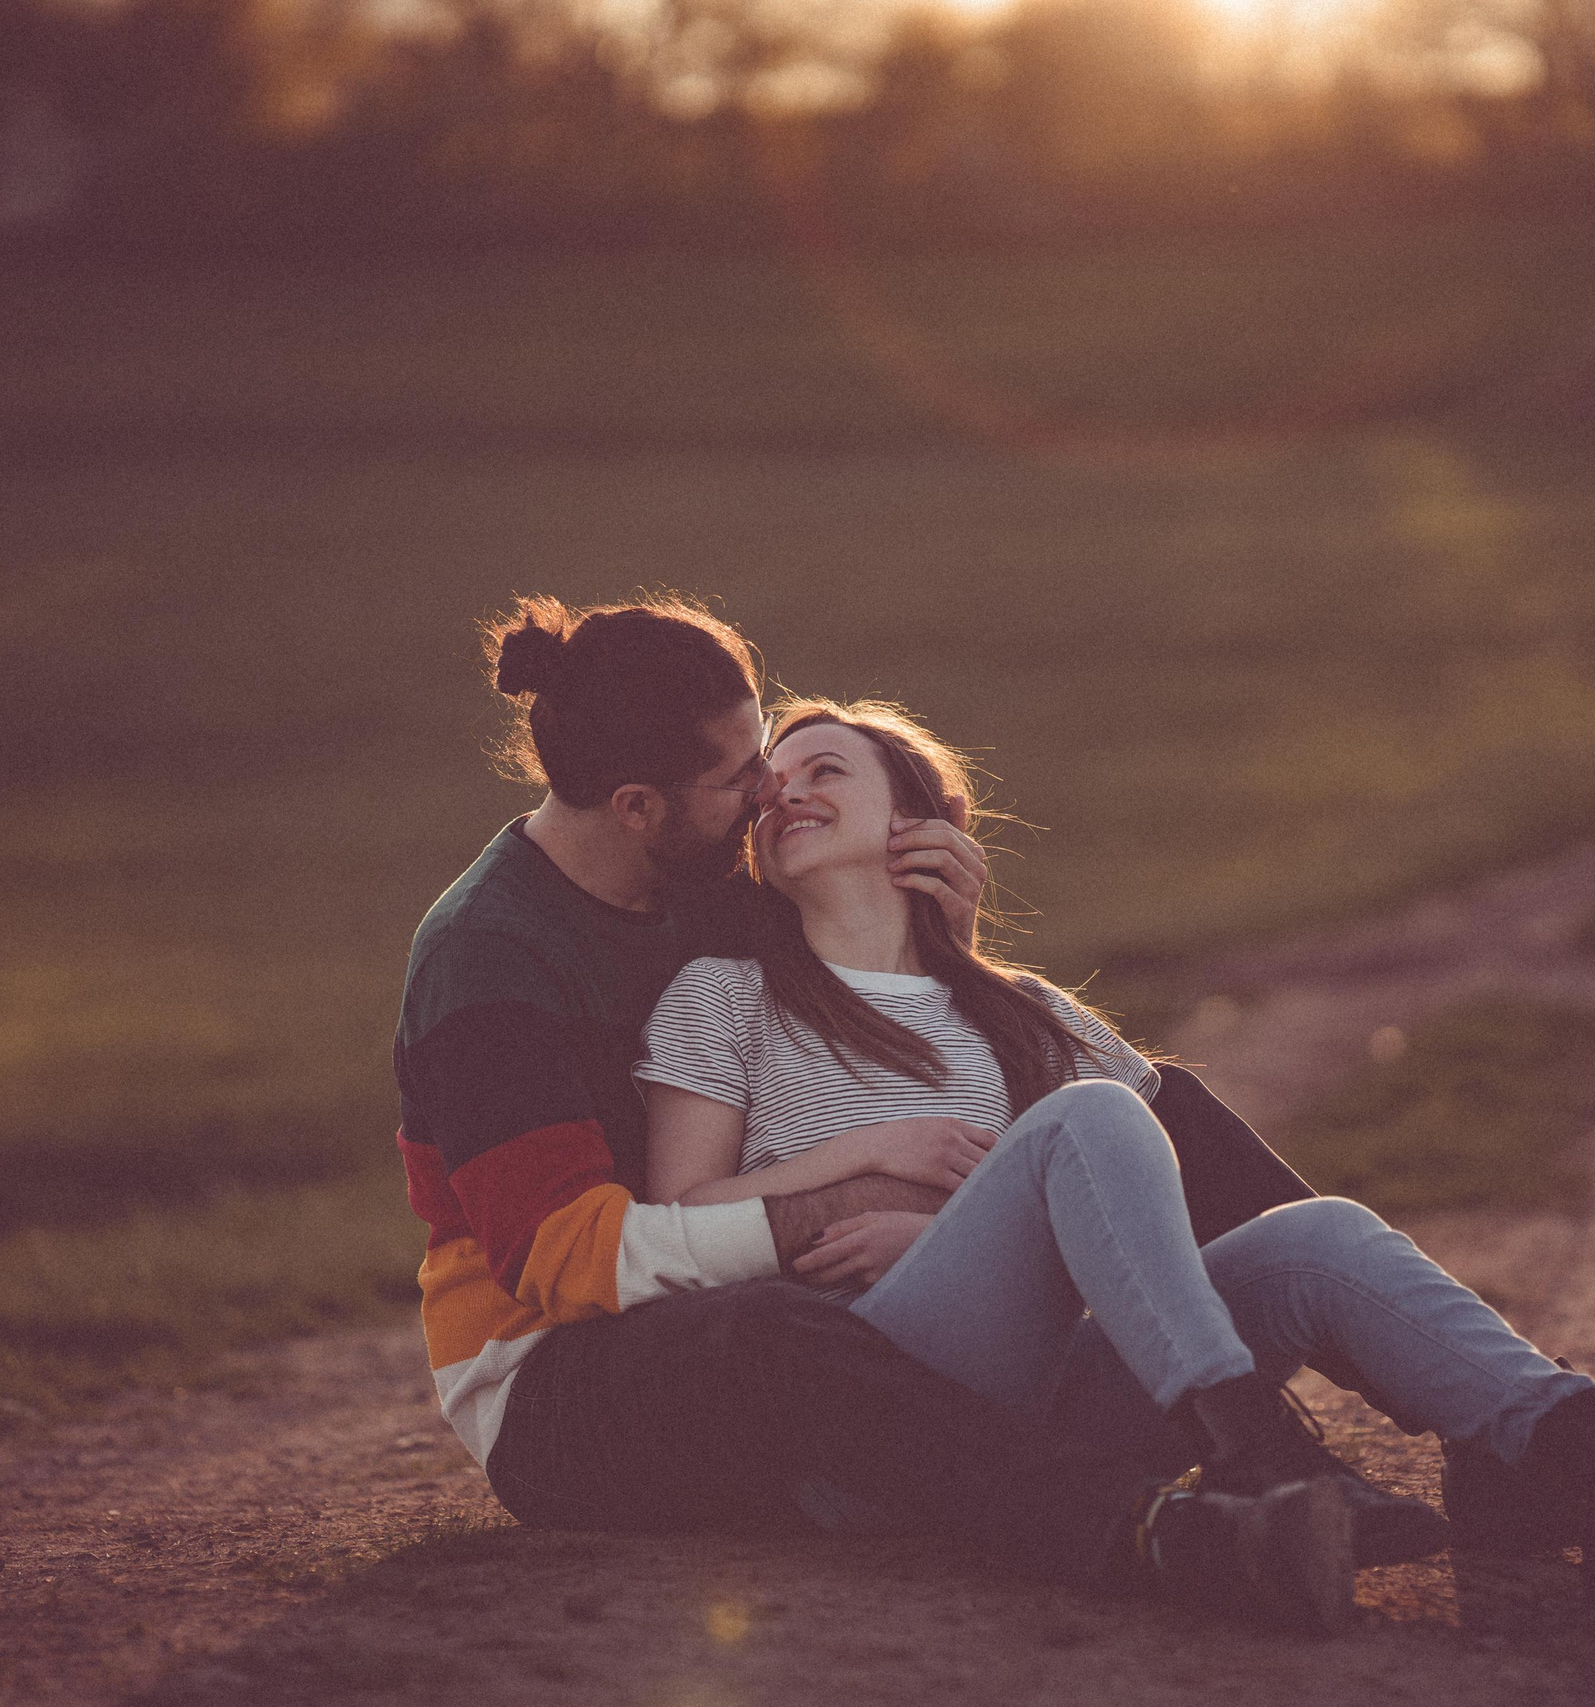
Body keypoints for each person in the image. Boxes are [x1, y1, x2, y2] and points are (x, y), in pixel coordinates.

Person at [635, 699, 1595, 1605]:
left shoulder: (1026, 1011)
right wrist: (884, 1175)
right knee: (1094, 1117)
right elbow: (677, 1215)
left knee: (1316, 1235)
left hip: (1068, 1395)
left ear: (917, 819)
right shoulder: (726, 995)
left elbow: (1143, 1193)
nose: (783, 792)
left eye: (822, 770)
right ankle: (1251, 1452)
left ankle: (1585, 1458)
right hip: (880, 1416)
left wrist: (963, 965)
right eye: (769, 786)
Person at [394, 594, 1369, 1634]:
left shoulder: (701, 880)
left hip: (733, 1295)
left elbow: (862, 995)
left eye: (762, 749)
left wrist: (944, 941)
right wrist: (845, 1195)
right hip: (556, 1388)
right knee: (777, 1331)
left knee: (1150, 1100)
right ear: (636, 805)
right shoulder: (490, 961)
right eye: (738, 777)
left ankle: (1385, 1385)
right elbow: (564, 1260)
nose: (768, 789)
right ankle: (1161, 1535)